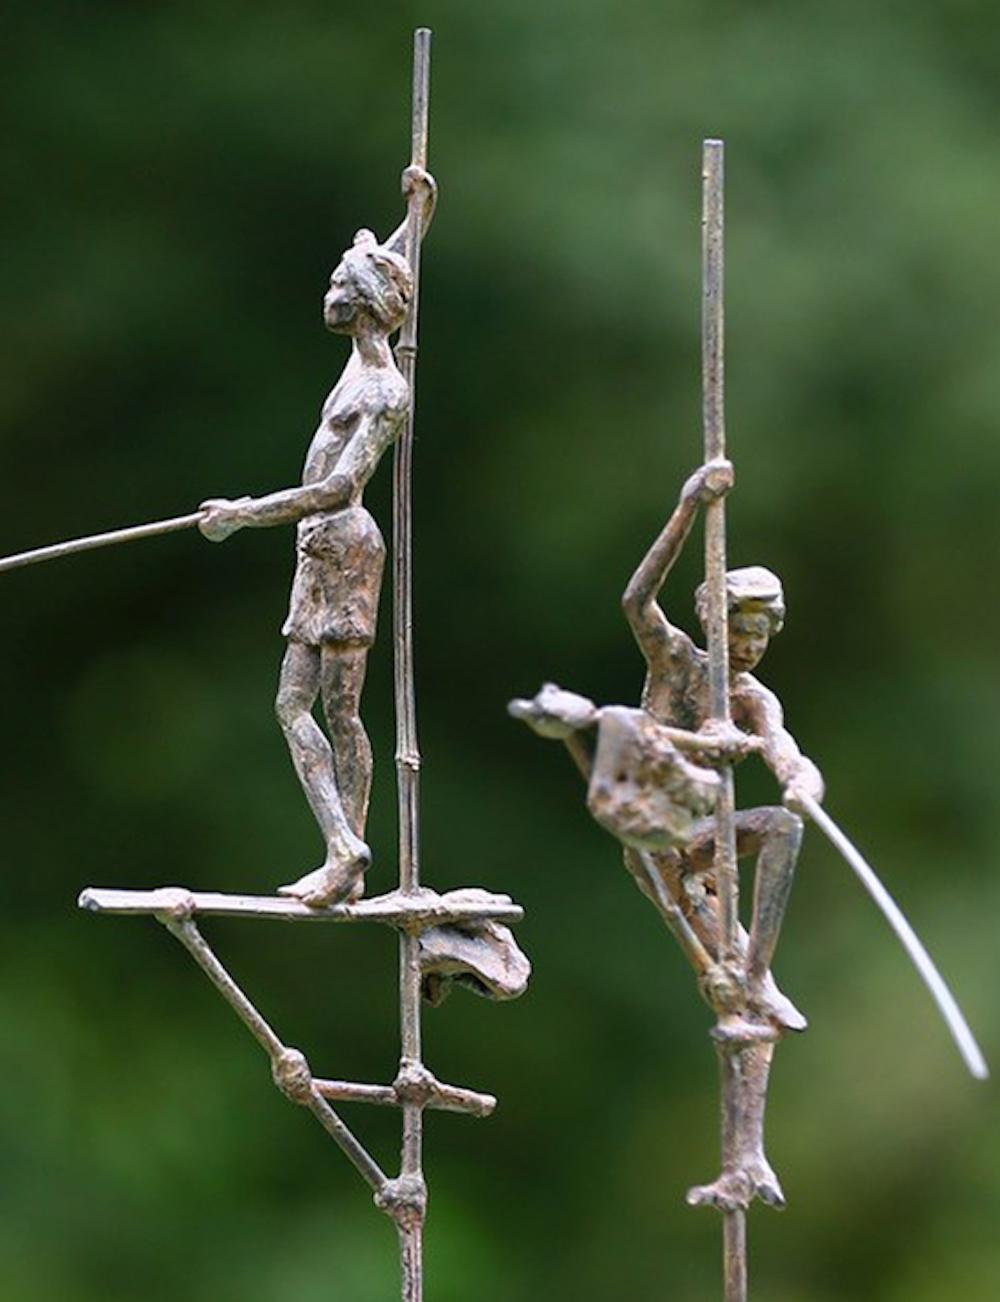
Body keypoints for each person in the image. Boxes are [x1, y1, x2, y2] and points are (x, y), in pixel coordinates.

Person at [198, 166, 436, 907]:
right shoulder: (356, 366)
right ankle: (343, 847)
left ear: (365, 302)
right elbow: (392, 266)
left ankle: (347, 851)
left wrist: (246, 513)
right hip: (315, 549)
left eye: (341, 284)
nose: (329, 293)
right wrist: (416, 215)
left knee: (340, 710)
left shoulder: (386, 389)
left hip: (346, 546)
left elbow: (339, 487)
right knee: (291, 705)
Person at [621, 457, 824, 1208]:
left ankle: (748, 1158)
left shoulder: (751, 699)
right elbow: (637, 599)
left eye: (762, 635)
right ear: (713, 619)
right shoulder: (676, 662)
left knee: (781, 829)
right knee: (726, 987)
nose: (750, 647)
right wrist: (688, 505)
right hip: (654, 833)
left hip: (698, 847)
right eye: (741, 629)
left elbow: (786, 753)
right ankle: (743, 975)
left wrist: (801, 781)